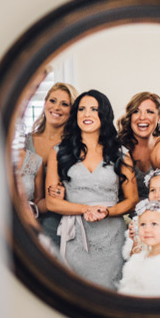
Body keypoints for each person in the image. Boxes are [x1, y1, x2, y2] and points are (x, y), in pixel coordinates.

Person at [45, 89, 137, 290]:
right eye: (81, 109)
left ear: (104, 114)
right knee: (77, 294)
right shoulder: (59, 152)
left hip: (112, 237)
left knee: (112, 293)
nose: (87, 114)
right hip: (76, 237)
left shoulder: (121, 153)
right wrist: (85, 209)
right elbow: (51, 202)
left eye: (94, 109)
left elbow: (132, 200)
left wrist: (107, 212)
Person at [22, 82, 77, 243]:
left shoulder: (75, 146)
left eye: (64, 104)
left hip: (62, 224)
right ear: (45, 102)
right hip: (26, 222)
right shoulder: (24, 141)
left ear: (72, 110)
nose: (57, 107)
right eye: (53, 101)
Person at [116, 91, 160, 200]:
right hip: (124, 209)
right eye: (136, 111)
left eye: (149, 112)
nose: (142, 117)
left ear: (159, 117)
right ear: (130, 116)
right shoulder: (117, 148)